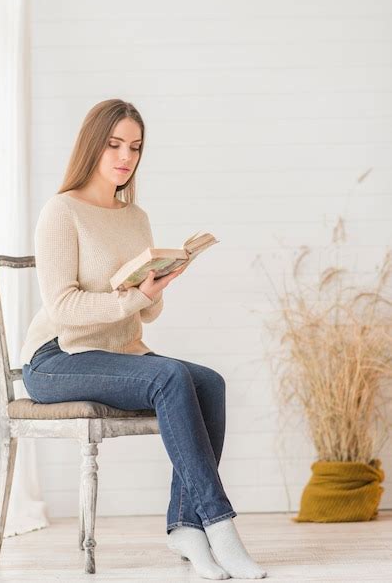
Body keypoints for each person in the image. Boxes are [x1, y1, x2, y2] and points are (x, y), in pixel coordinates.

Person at [21, 99, 267, 580]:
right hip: (55, 358)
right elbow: (63, 308)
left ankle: (185, 527)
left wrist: (155, 287)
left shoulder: (135, 217)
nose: (125, 157)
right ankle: (220, 524)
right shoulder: (61, 211)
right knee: (170, 376)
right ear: (92, 145)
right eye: (114, 145)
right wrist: (131, 300)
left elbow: (145, 313)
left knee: (209, 382)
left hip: (114, 352)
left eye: (134, 147)